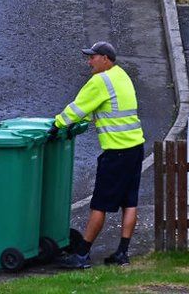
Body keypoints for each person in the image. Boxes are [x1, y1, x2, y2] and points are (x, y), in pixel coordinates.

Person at [55, 41, 144, 268]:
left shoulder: (100, 81)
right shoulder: (121, 75)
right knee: (129, 202)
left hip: (116, 152)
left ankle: (82, 255)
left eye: (93, 57)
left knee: (100, 204)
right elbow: (101, 108)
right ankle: (122, 253)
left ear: (105, 59)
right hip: (135, 148)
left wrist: (57, 125)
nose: (89, 61)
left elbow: (78, 108)